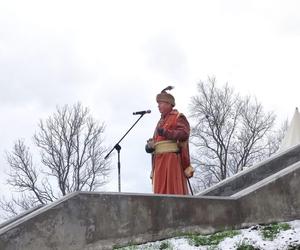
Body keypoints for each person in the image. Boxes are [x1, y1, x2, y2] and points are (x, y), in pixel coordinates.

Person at [145, 86, 194, 195]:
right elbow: (156, 139)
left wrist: (166, 133)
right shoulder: (160, 122)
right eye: (158, 103)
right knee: (160, 193)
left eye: (160, 103)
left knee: (173, 191)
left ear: (168, 104)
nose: (158, 106)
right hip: (159, 162)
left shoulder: (178, 117)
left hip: (171, 161)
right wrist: (149, 146)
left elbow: (184, 134)